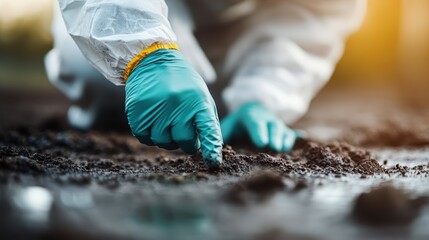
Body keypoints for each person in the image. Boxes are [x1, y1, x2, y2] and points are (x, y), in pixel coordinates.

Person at [45, 0, 366, 168]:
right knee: (98, 78)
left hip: (236, 22)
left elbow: (315, 11)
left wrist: (264, 91)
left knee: (211, 98)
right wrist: (144, 52)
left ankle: (224, 104)